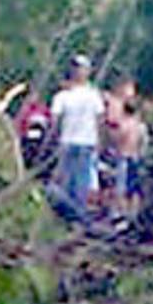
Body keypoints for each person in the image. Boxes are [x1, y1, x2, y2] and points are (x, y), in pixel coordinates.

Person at [50, 54, 104, 222]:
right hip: (72, 142)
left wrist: (99, 141)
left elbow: (99, 120)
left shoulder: (92, 95)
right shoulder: (64, 96)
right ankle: (72, 216)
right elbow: (55, 122)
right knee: (72, 179)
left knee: (78, 180)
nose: (79, 72)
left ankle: (75, 217)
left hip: (82, 142)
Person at [111, 97, 148, 216]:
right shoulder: (140, 126)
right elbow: (144, 142)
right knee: (134, 188)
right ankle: (134, 213)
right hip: (136, 157)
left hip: (124, 157)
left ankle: (121, 213)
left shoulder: (124, 125)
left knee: (121, 188)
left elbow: (117, 140)